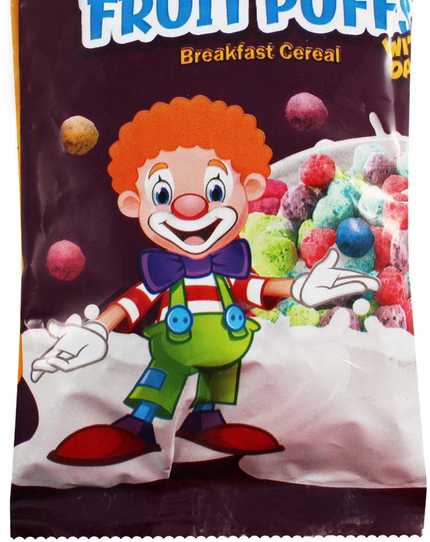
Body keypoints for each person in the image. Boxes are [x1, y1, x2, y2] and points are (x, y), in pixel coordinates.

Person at [32, 95, 379, 466]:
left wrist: (299, 288)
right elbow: (135, 300)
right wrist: (97, 330)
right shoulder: (165, 271)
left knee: (223, 373)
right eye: (163, 194)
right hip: (177, 340)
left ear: (250, 188)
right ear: (134, 204)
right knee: (165, 374)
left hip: (228, 338)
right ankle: (137, 425)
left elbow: (253, 288)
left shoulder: (231, 265)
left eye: (215, 191)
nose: (190, 207)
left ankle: (206, 419)